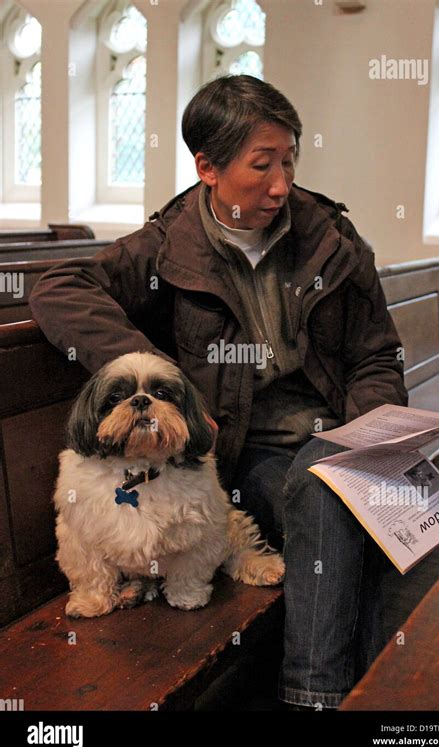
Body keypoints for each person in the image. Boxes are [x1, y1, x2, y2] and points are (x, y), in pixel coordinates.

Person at [29, 74, 408, 710]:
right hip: (246, 451)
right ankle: (324, 699)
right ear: (207, 166)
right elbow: (57, 287)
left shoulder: (331, 240)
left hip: (331, 435)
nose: (282, 185)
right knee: (332, 504)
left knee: (352, 501)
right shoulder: (166, 245)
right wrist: (155, 374)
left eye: (289, 160)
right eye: (262, 165)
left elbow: (376, 355)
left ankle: (332, 696)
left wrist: (363, 428)